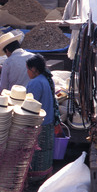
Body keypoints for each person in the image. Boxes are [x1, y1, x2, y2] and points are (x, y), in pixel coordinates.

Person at [26, 54, 61, 182]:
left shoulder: (35, 83)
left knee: (37, 153)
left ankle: (35, 178)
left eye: (28, 69)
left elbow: (30, 106)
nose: (27, 72)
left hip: (39, 124)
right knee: (46, 152)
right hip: (48, 122)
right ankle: (46, 175)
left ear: (33, 69)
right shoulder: (46, 79)